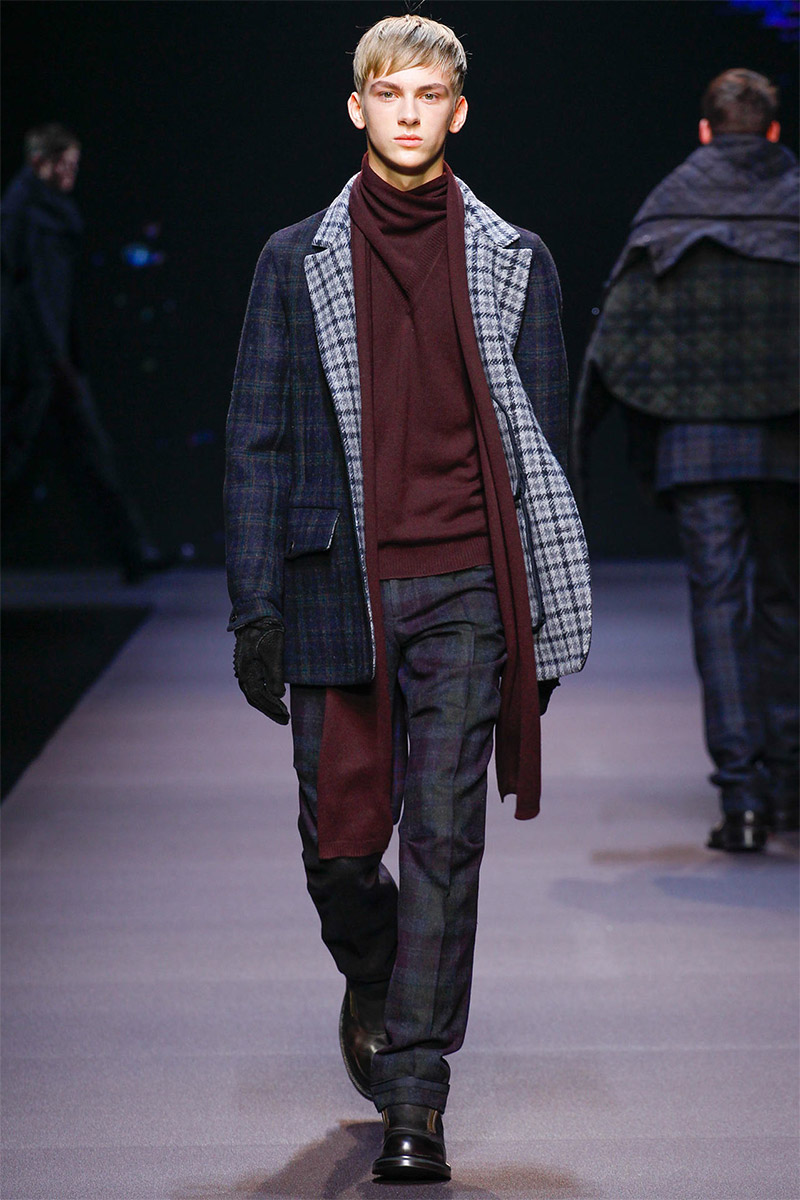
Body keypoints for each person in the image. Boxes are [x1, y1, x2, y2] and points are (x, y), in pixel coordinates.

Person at [225, 14, 591, 1182]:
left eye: (428, 95)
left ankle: (414, 1093)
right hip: (338, 587)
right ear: (357, 108)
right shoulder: (293, 259)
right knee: (338, 854)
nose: (409, 113)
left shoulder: (516, 258)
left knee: (442, 835)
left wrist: (539, 613)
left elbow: (544, 449)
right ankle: (378, 976)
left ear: (458, 112)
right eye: (389, 94)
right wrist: (253, 606)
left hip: (469, 585)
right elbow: (256, 441)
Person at [574, 69, 798, 853]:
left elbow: (620, 334)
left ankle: (743, 800)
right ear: (772, 131)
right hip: (789, 441)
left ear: (706, 130)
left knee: (718, 610)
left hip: (696, 444)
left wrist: (588, 442)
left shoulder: (670, 207)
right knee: (786, 604)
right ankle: (791, 786)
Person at [1, 123, 170, 581]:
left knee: (88, 460)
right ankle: (134, 554)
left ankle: (134, 554)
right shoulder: (25, 215)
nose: (72, 174)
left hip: (50, 364)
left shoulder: (42, 212)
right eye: (66, 165)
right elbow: (32, 296)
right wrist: (55, 359)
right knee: (19, 469)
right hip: (37, 366)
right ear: (41, 163)